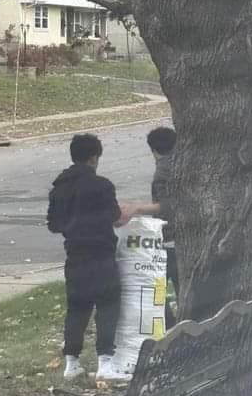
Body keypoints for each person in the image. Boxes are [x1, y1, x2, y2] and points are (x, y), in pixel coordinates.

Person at [47, 133, 131, 381]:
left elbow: (53, 224)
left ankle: (71, 363)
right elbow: (114, 215)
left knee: (77, 307)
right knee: (107, 304)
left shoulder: (58, 188)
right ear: (94, 158)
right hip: (101, 253)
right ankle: (105, 362)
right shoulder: (102, 185)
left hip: (74, 254)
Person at [125, 126, 178, 329]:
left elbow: (167, 206)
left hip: (170, 240)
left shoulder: (163, 170)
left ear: (154, 150)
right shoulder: (183, 164)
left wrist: (137, 208)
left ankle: (169, 325)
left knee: (156, 287)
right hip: (187, 237)